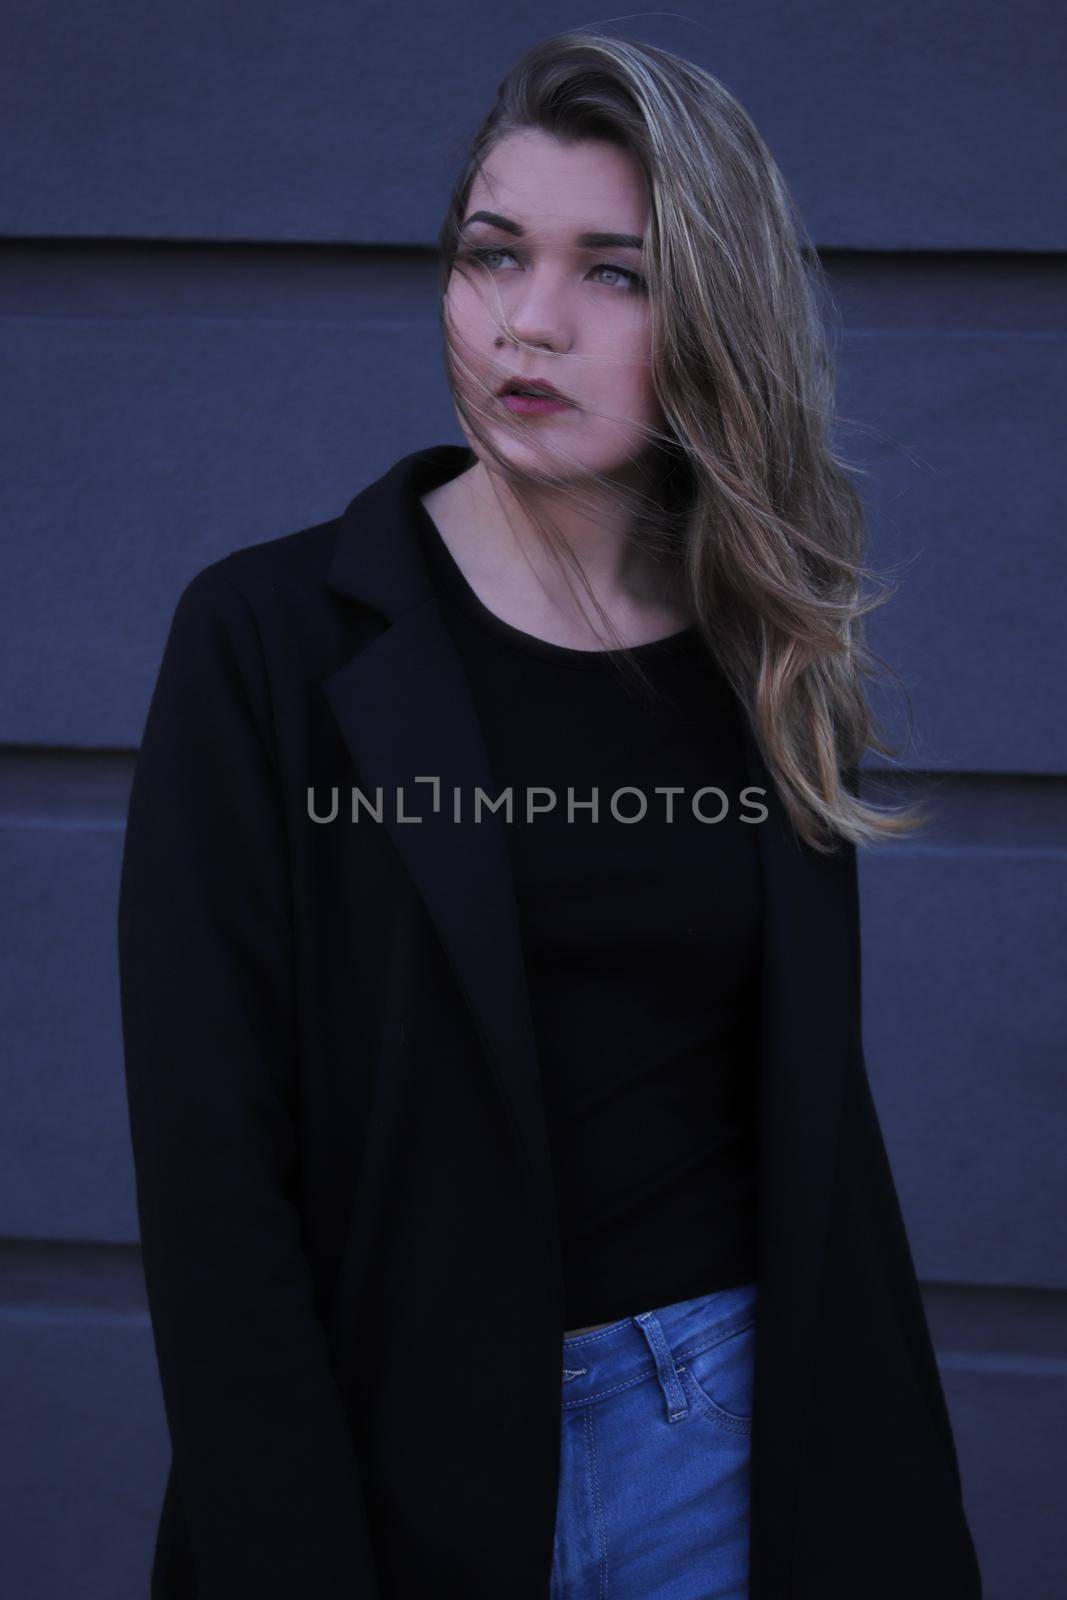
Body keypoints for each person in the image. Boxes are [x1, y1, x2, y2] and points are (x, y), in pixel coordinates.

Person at [117, 30, 983, 1600]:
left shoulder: (762, 641)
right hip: (409, 1455)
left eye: (616, 275)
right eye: (491, 254)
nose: (527, 321)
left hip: (730, 1433)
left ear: (713, 316)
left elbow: (805, 1122)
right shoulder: (272, 640)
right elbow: (208, 1163)